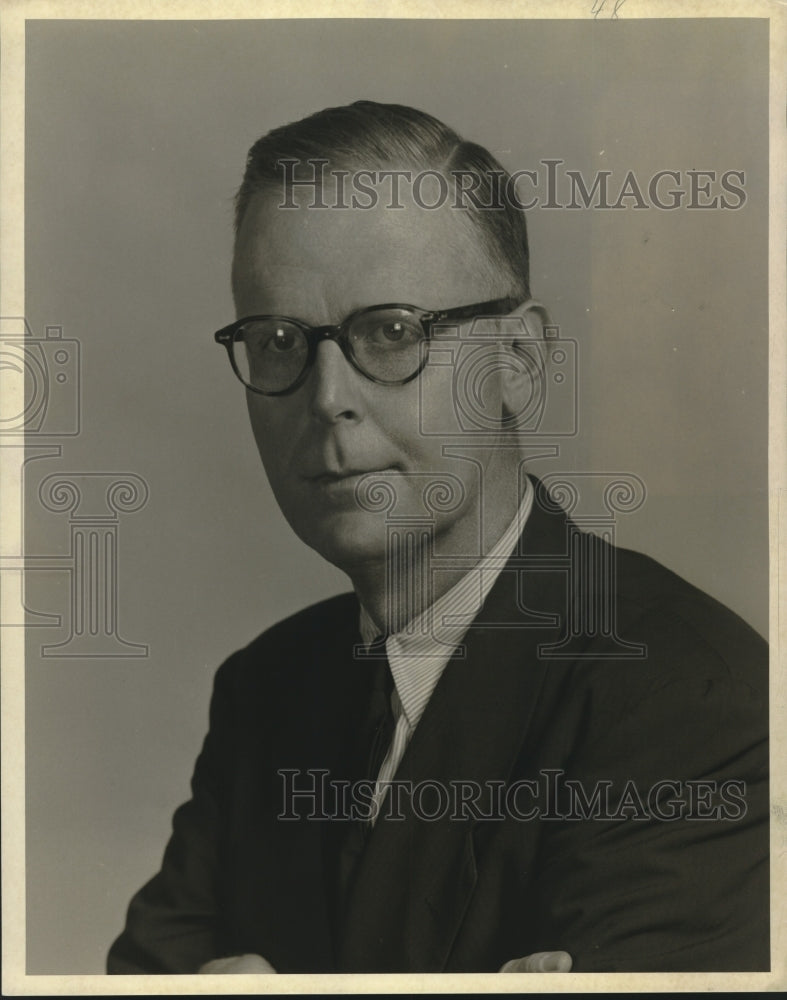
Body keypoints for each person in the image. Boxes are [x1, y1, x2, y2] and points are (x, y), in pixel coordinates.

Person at [107, 101, 769, 975]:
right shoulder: (265, 690)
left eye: (391, 332)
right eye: (277, 340)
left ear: (518, 363)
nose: (326, 397)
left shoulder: (687, 695)